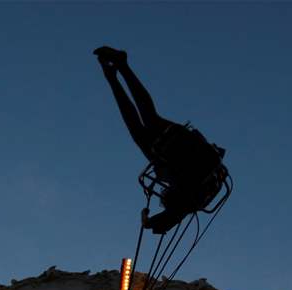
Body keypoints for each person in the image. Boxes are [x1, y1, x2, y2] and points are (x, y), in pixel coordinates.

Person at [94, 47, 228, 235]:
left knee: (147, 121)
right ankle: (116, 74)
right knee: (142, 126)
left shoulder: (194, 194)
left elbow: (165, 221)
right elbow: (159, 222)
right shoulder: (187, 201)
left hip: (187, 145)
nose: (163, 190)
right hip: (179, 150)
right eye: (165, 194)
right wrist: (147, 219)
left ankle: (118, 71)